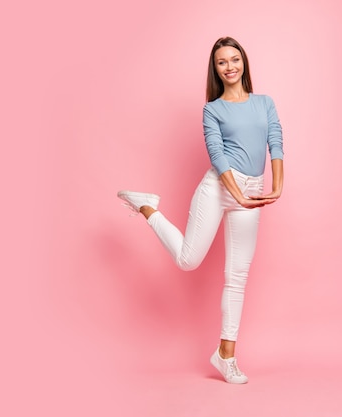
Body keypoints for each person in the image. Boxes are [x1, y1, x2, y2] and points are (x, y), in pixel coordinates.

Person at [117, 36, 284, 384]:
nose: (230, 67)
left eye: (235, 59)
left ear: (244, 62)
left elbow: (276, 142)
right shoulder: (213, 109)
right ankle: (148, 207)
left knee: (237, 276)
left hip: (251, 192)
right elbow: (218, 156)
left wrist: (277, 186)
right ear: (216, 69)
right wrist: (235, 193)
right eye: (222, 62)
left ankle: (226, 355)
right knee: (188, 260)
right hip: (219, 187)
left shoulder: (265, 103)